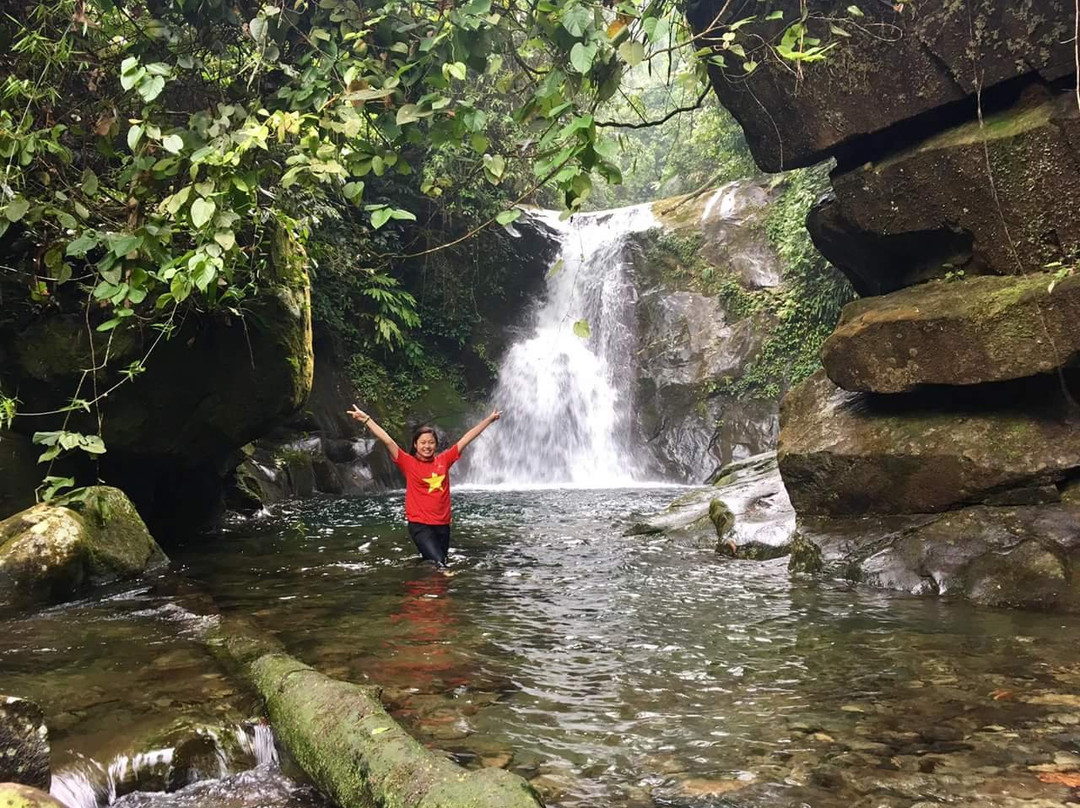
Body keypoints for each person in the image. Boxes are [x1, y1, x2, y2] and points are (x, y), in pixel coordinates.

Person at [347, 405, 501, 567]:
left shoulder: (444, 460)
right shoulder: (408, 463)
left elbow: (466, 439)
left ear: (435, 445)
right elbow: (388, 440)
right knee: (440, 564)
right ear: (415, 445)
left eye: (431, 443)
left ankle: (420, 586)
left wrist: (489, 420)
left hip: (442, 525)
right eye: (423, 443)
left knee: (436, 561)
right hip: (420, 525)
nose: (427, 446)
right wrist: (366, 419)